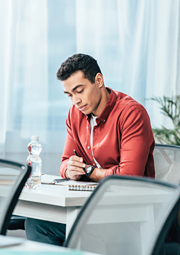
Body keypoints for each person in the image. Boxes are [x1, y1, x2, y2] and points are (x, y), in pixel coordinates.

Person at [25, 53, 155, 245]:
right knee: (35, 221)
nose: (75, 101)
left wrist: (89, 171)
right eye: (69, 95)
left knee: (52, 226)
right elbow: (65, 163)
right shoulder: (75, 114)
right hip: (92, 205)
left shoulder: (131, 113)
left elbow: (129, 177)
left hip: (129, 212)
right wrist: (71, 170)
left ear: (99, 80)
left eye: (79, 90)